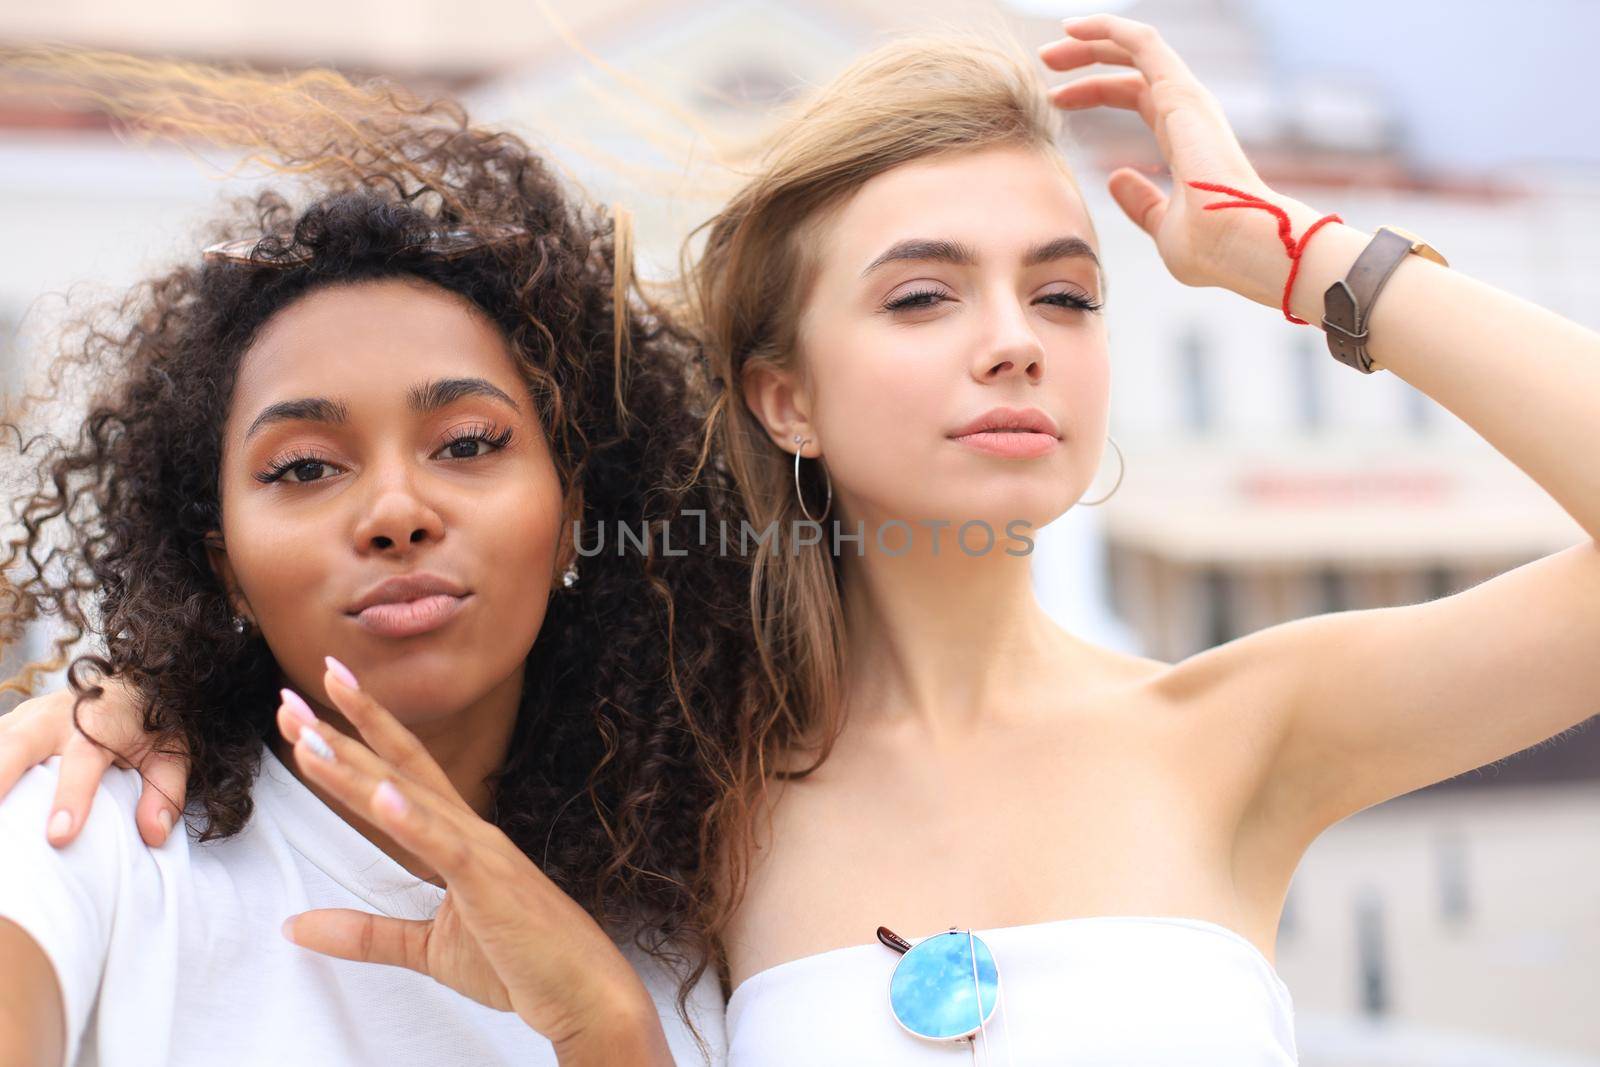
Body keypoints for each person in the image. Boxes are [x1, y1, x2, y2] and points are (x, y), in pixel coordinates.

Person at [14, 16, 1600, 1064]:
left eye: (1065, 291)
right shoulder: (675, 805)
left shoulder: (1242, 729)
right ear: (784, 395)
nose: (1014, 341)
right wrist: (163, 690)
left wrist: (1314, 264)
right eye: (923, 294)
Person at [0, 53, 746, 1067]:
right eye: (305, 465)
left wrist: (605, 1029)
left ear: (574, 515)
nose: (396, 511)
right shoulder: (91, 832)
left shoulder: (706, 911)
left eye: (470, 444)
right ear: (221, 566)